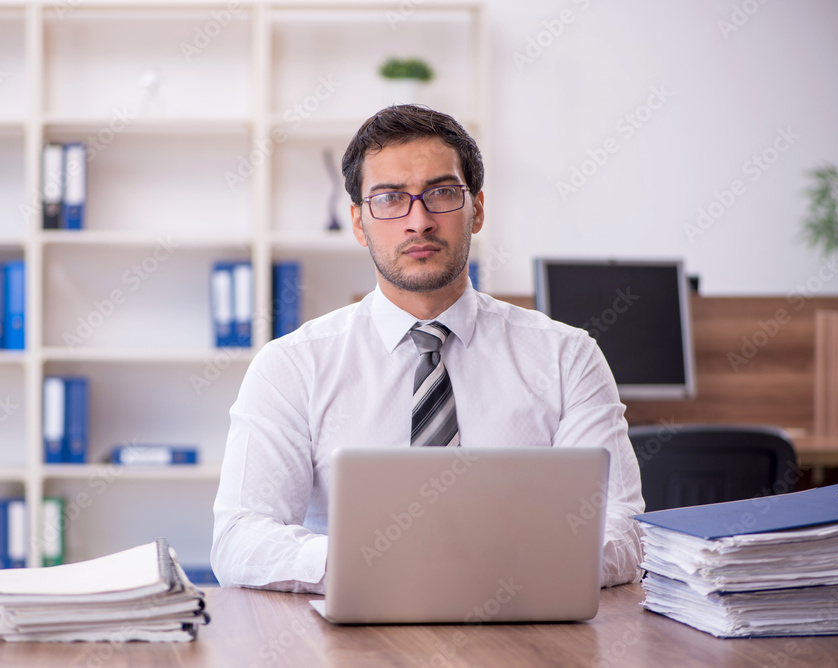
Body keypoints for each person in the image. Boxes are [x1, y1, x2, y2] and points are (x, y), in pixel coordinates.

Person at [211, 104, 644, 593]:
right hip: (355, 634)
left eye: (441, 193)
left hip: (522, 629)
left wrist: (495, 569)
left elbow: (621, 530)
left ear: (476, 210)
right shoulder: (291, 366)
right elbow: (239, 540)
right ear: (359, 223)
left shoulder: (567, 358)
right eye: (390, 199)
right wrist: (381, 562)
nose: (418, 221)